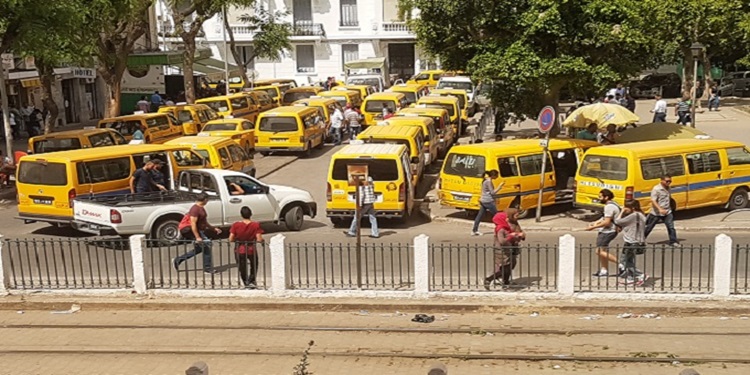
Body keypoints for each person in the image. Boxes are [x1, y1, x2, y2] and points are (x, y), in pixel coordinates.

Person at [173, 193, 222, 274]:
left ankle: (178, 260)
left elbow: (204, 222)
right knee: (207, 245)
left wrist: (213, 228)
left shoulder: (200, 208)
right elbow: (193, 224)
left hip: (198, 230)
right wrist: (197, 237)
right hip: (191, 230)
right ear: (205, 200)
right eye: (207, 200)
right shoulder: (195, 209)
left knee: (199, 249)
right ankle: (207, 268)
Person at [484, 208, 525, 289]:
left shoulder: (514, 223)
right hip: (503, 249)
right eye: (516, 215)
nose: (517, 217)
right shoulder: (502, 227)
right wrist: (512, 236)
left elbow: (519, 232)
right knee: (504, 267)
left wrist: (521, 235)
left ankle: (505, 282)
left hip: (511, 247)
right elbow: (502, 240)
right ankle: (490, 279)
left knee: (511, 265)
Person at [586, 189, 621, 277]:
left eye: (601, 197)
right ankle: (604, 270)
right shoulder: (613, 204)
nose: (599, 198)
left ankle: (622, 265)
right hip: (608, 230)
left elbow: (607, 222)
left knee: (599, 251)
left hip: (608, 231)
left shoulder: (609, 207)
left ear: (606, 197)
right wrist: (595, 222)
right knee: (603, 251)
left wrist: (593, 227)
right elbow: (605, 218)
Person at [229, 206, 264, 288]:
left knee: (242, 267)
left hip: (239, 249)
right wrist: (262, 241)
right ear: (251, 214)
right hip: (251, 248)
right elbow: (259, 239)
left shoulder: (236, 225)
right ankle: (252, 280)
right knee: (254, 265)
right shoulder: (255, 225)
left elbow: (230, 239)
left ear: (241, 215)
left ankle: (245, 282)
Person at [615, 199, 648, 285]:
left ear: (632, 208)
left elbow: (617, 221)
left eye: (627, 207)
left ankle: (641, 274)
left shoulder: (634, 215)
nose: (625, 209)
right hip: (637, 241)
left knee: (625, 261)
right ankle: (630, 278)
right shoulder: (641, 215)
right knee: (629, 260)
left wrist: (622, 212)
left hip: (632, 242)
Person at [644, 175, 678, 246]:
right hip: (656, 212)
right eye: (667, 181)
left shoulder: (669, 188)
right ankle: (641, 240)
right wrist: (660, 209)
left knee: (671, 227)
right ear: (662, 181)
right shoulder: (656, 189)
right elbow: (653, 200)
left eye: (670, 181)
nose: (669, 183)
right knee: (649, 227)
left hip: (667, 211)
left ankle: (673, 241)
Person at [471, 170, 505, 236]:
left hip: (483, 200)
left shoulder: (485, 180)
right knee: (497, 216)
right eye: (497, 175)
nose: (497, 177)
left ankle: (474, 230)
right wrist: (500, 187)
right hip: (488, 201)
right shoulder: (489, 182)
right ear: (493, 175)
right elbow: (492, 192)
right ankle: (501, 229)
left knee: (479, 216)